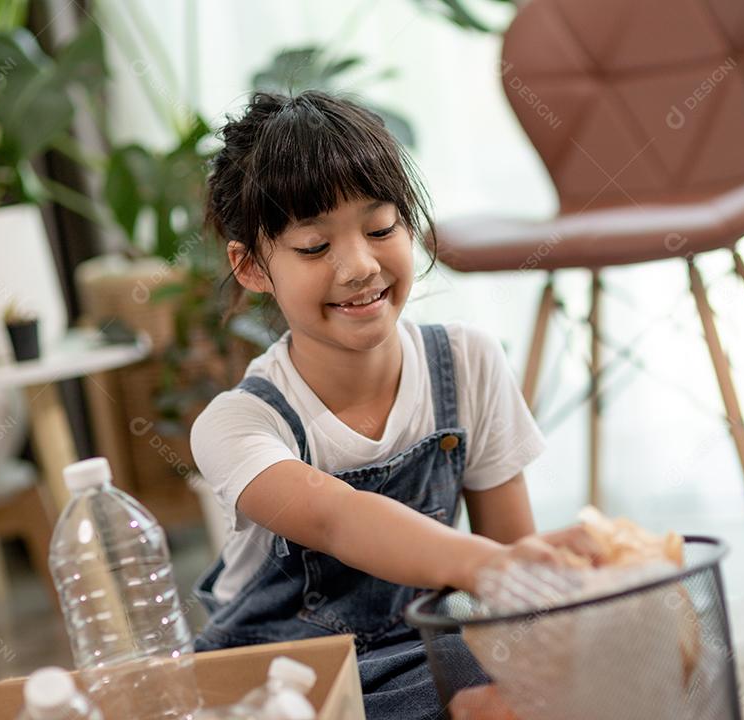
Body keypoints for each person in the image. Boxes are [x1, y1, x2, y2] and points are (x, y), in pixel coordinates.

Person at [190, 90, 603, 720]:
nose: (359, 266)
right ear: (250, 267)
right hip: (283, 674)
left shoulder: (467, 363)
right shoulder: (240, 423)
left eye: (381, 229)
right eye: (313, 247)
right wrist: (494, 566)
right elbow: (339, 518)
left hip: (424, 648)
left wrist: (554, 578)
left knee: (553, 684)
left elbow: (510, 573)